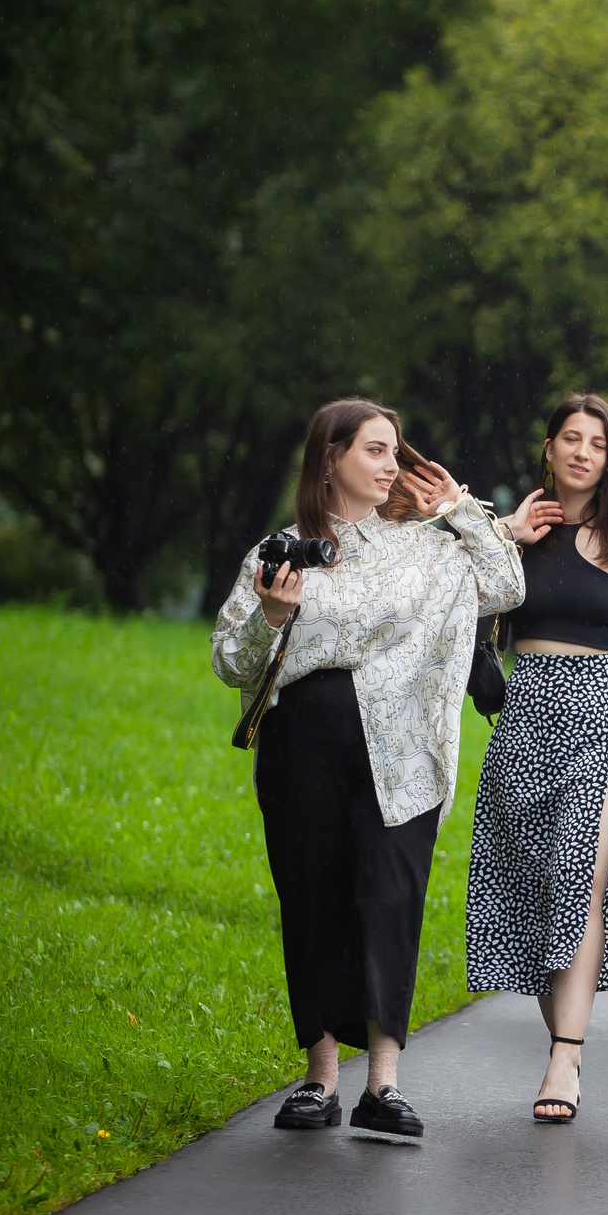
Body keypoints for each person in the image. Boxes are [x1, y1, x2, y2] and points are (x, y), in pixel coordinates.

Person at [212, 396, 533, 1139]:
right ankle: (320, 1078)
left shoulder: (428, 547)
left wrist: (455, 505)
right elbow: (230, 662)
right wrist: (267, 615)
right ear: (331, 457)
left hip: (405, 754)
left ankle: (383, 1085)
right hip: (302, 752)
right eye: (375, 450)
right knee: (313, 898)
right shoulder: (279, 550)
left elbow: (506, 583)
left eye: (395, 451)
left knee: (391, 898)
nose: (392, 466)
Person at [466, 395, 608, 1123]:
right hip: (525, 718)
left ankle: (566, 1055)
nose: (584, 451)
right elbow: (452, 602)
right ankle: (562, 1040)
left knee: (579, 878)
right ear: (549, 447)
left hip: (602, 721)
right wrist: (503, 534)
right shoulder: (516, 537)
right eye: (571, 437)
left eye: (598, 442)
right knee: (538, 892)